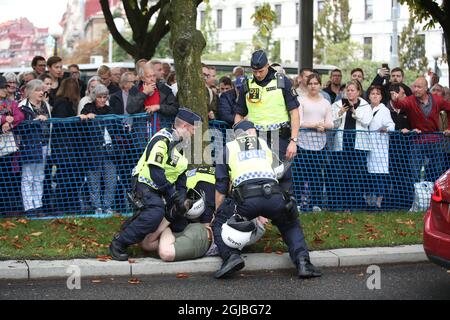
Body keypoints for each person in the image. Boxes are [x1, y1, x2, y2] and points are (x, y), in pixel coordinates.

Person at [213, 120, 321, 279]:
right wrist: (288, 199)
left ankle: (231, 257)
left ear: (235, 136)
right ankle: (303, 262)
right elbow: (282, 172)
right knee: (290, 223)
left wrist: (218, 211)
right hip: (274, 195)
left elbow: (221, 186)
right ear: (253, 132)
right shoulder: (264, 144)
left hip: (246, 200)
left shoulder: (228, 148)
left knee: (219, 222)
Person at [109, 108, 203, 261]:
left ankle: (149, 235)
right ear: (185, 126)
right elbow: (155, 171)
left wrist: (181, 199)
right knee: (155, 212)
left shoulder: (182, 146)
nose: (195, 133)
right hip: (145, 183)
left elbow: (181, 179)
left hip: (162, 189)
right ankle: (119, 243)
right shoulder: (162, 139)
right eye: (194, 129)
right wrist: (172, 195)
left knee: (179, 222)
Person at [234, 49, 300, 193]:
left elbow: (294, 112)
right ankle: (258, 213)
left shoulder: (282, 82)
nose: (257, 74)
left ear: (268, 65)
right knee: (255, 177)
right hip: (254, 138)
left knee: (282, 177)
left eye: (261, 71)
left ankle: (285, 213)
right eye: (254, 71)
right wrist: (239, 137)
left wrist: (293, 141)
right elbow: (239, 114)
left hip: (279, 137)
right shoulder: (247, 83)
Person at [390, 76, 450, 183]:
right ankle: (416, 197)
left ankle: (434, 196)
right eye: (414, 86)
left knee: (438, 171)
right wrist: (395, 100)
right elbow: (400, 105)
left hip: (435, 140)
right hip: (417, 140)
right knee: (414, 173)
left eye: (419, 87)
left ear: (426, 88)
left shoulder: (437, 99)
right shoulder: (410, 100)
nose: (415, 89)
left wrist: (449, 128)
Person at [331, 79, 372, 211]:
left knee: (356, 176)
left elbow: (366, 121)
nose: (349, 92)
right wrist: (339, 114)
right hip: (341, 145)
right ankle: (340, 206)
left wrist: (354, 112)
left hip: (359, 146)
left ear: (358, 92)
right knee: (340, 176)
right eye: (347, 90)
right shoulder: (338, 104)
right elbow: (333, 124)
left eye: (352, 90)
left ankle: (355, 206)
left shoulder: (365, 105)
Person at [294, 73, 333, 211]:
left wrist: (324, 126)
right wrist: (315, 125)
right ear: (307, 85)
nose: (313, 86)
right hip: (302, 144)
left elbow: (330, 123)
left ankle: (315, 204)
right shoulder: (301, 100)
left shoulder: (326, 103)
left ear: (320, 85)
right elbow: (299, 122)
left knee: (316, 176)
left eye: (316, 83)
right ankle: (298, 204)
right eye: (310, 83)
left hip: (319, 145)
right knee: (300, 175)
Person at [17, 79, 52, 215]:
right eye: (37, 90)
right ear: (30, 92)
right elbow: (20, 127)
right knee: (28, 177)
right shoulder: (22, 106)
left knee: (40, 176)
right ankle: (29, 207)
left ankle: (38, 205)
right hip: (29, 146)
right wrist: (34, 122)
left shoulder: (45, 105)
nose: (41, 93)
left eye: (42, 90)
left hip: (43, 145)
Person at [365, 85, 395, 209]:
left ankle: (378, 202)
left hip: (380, 148)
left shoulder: (384, 110)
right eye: (372, 93)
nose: (375, 96)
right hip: (367, 146)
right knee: (368, 176)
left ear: (381, 97)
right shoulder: (365, 109)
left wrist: (386, 129)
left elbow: (391, 125)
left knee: (379, 176)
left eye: (377, 94)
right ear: (369, 96)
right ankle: (368, 201)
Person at [0, 75, 24, 214]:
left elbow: (20, 116)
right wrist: (3, 119)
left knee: (8, 176)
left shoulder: (10, 103)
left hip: (8, 147)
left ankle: (7, 208)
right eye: (3, 88)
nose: (6, 90)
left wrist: (10, 122)